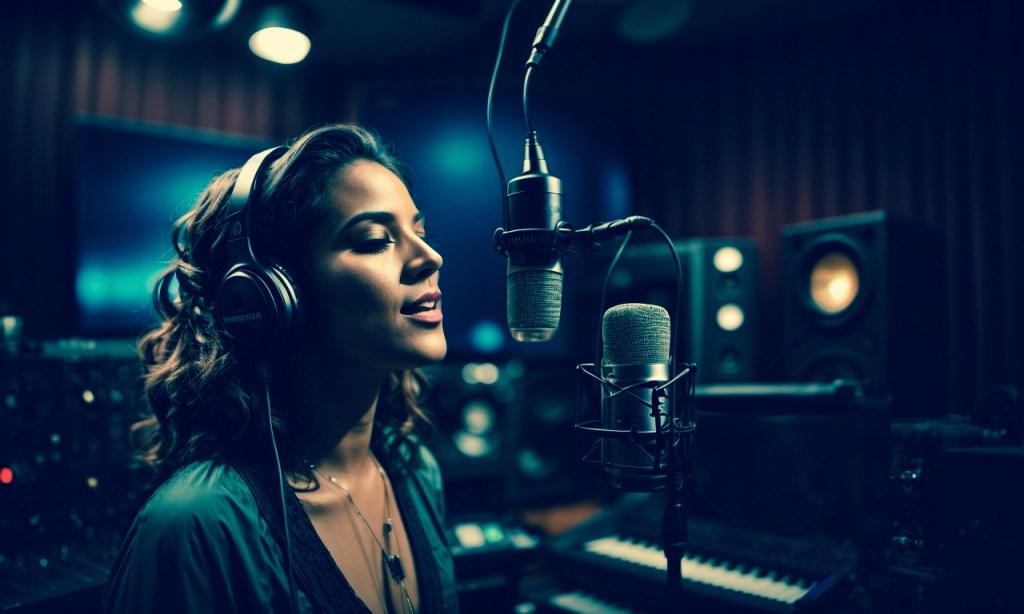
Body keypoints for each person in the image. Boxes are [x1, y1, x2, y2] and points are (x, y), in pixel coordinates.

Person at [103, 123, 458, 613]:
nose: (430, 257)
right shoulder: (195, 526)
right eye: (375, 239)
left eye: (419, 233)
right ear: (271, 296)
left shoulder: (417, 474)